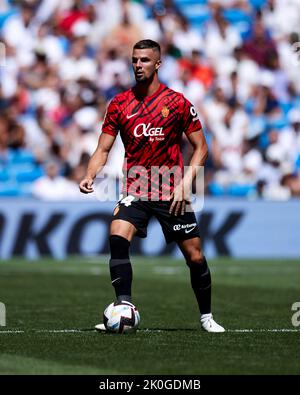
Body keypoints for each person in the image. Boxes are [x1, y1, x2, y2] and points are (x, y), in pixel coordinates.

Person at [79, 39, 225, 332]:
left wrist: (186, 184)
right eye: (134, 60)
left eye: (144, 60)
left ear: (158, 64)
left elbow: (201, 148)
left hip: (172, 188)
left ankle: (206, 316)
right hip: (136, 186)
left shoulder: (177, 102)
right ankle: (123, 306)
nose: (138, 65)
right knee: (117, 235)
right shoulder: (119, 103)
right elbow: (103, 149)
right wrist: (90, 174)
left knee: (195, 256)